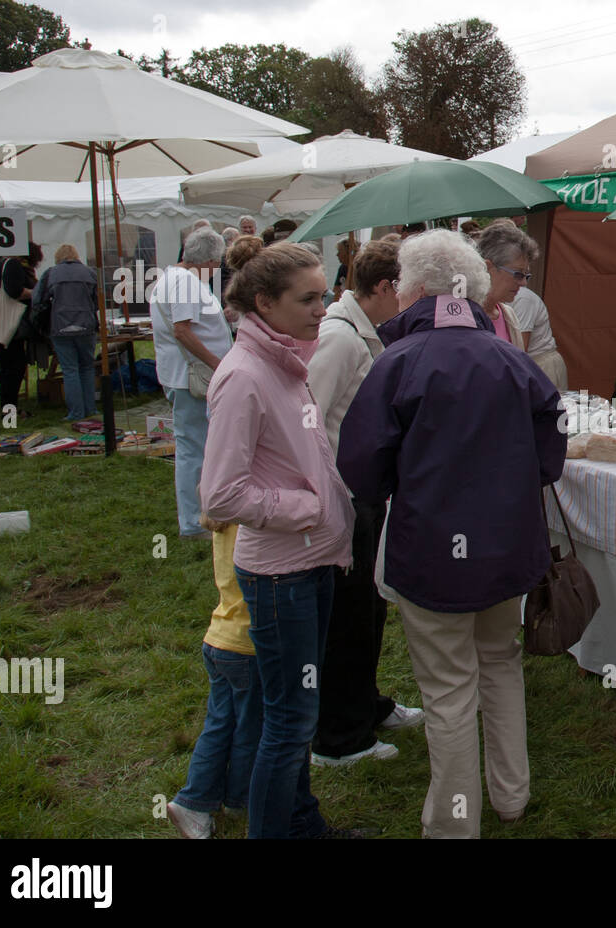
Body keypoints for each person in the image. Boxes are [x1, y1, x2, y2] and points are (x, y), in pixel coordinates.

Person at [337, 230, 566, 839]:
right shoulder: (510, 359)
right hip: (505, 548)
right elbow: (551, 453)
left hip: (432, 551)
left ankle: (454, 824)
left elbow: (361, 468)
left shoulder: (398, 362)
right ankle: (511, 797)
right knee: (499, 665)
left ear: (415, 289)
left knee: (448, 691)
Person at [201, 243, 358, 840]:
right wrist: (307, 508)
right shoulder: (244, 376)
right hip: (280, 576)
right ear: (264, 303)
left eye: (325, 294)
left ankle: (302, 825)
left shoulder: (285, 359)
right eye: (309, 298)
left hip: (310, 563)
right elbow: (219, 495)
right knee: (290, 721)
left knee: (294, 715)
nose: (324, 308)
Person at [306, 239, 424, 767]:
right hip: (345, 498)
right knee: (348, 617)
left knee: (368, 608)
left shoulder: (361, 331)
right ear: (384, 288)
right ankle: (339, 737)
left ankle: (366, 705)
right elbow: (306, 418)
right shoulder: (340, 337)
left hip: (364, 494)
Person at [166, 512, 261, 839]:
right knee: (249, 726)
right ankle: (203, 800)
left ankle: (222, 799)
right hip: (245, 642)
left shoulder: (220, 512)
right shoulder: (246, 518)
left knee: (221, 722)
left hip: (220, 636)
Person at [151, 226, 231, 539]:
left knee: (195, 446)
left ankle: (198, 515)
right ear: (210, 260)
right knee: (194, 449)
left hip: (183, 375)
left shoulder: (175, 277)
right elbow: (182, 331)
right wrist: (217, 363)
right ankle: (193, 521)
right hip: (191, 377)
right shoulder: (184, 282)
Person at [32, 244, 99, 421]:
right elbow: (97, 301)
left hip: (60, 327)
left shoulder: (50, 274)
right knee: (87, 368)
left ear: (58, 257)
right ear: (76, 256)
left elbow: (38, 300)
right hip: (86, 326)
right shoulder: (90, 273)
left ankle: (76, 413)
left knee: (70, 370)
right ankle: (91, 409)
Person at [0, 241, 42, 416]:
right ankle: (9, 409)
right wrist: (36, 292)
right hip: (9, 326)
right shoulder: (13, 265)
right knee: (13, 368)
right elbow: (14, 291)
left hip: (6, 326)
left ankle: (9, 408)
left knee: (10, 367)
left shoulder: (7, 264)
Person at [474, 220, 530, 346]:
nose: (523, 283)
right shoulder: (462, 316)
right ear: (487, 267)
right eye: (518, 274)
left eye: (527, 275)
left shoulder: (508, 316)